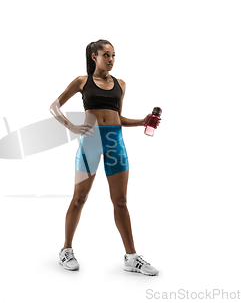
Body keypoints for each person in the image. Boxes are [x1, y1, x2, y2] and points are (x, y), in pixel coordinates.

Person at [49, 39, 161, 276]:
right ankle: (66, 250)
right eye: (106, 55)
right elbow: (54, 106)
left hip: (115, 143)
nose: (110, 60)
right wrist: (71, 125)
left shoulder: (121, 84)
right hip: (90, 142)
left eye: (113, 56)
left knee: (120, 201)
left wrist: (141, 121)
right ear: (94, 57)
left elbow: (117, 117)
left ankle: (131, 258)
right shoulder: (83, 81)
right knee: (79, 198)